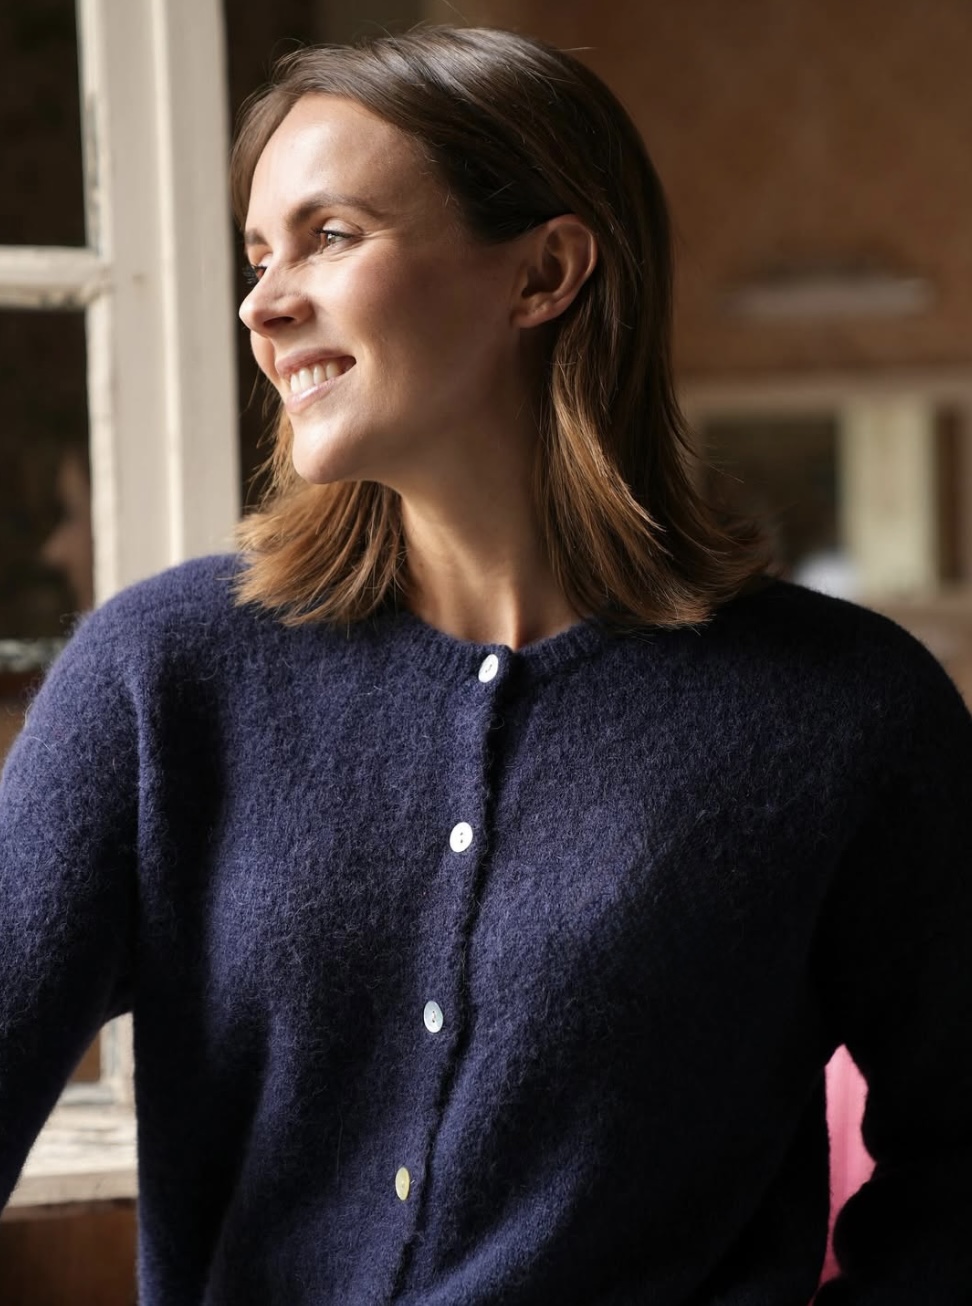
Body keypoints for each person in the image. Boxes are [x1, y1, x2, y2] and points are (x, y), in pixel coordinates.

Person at [1, 25, 971, 1305]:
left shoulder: (847, 712)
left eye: (329, 235)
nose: (262, 304)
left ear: (545, 273)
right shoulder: (161, 675)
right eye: (258, 254)